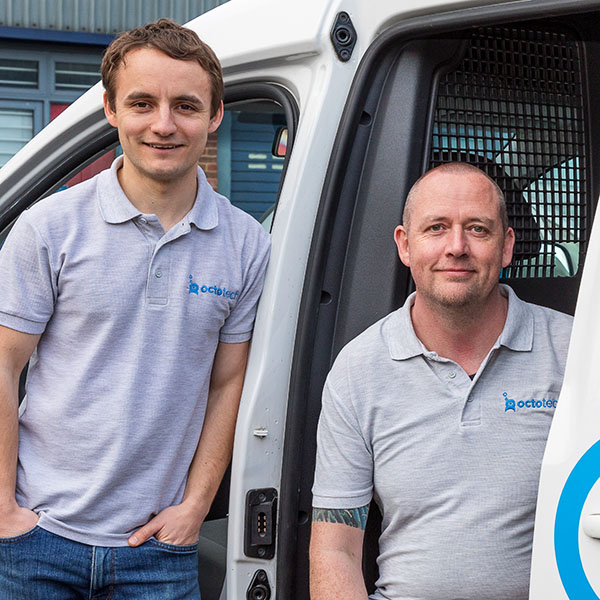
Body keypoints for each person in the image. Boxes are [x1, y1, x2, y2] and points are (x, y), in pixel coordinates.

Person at [0, 18, 270, 599]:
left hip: (158, 552)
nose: (164, 124)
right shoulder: (48, 229)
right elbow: (2, 365)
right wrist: (2, 510)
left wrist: (195, 508)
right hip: (36, 541)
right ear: (111, 110)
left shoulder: (247, 244)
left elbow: (228, 384)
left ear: (216, 115)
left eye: (187, 106)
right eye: (142, 103)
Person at [310, 162, 573, 600]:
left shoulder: (576, 351)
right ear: (405, 245)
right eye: (436, 228)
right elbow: (335, 549)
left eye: (478, 229)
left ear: (507, 246)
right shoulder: (359, 369)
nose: (456, 247)